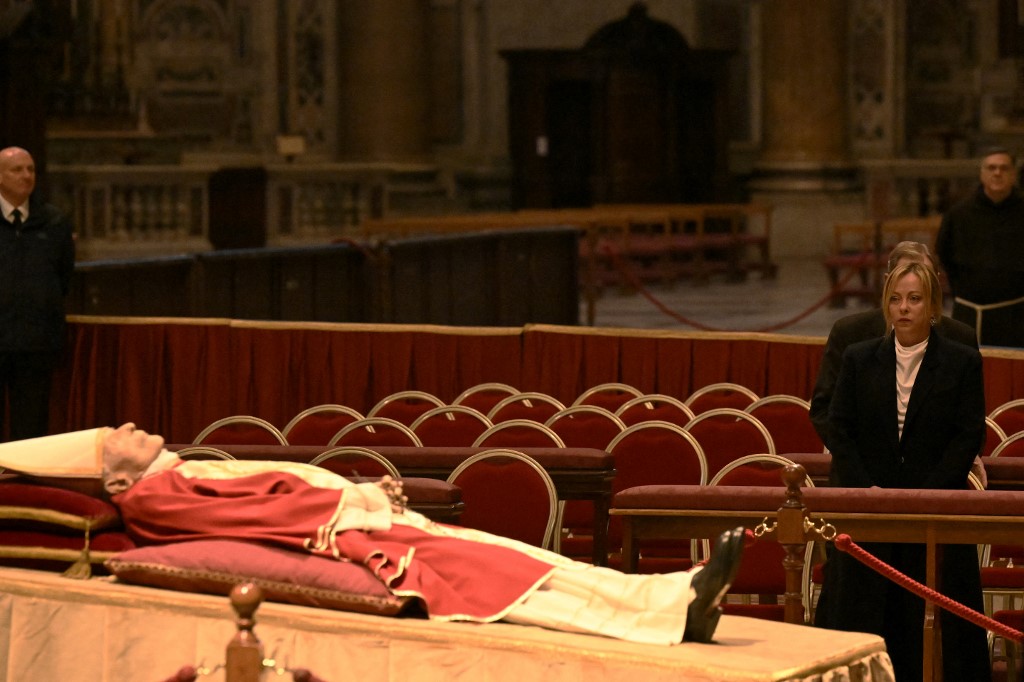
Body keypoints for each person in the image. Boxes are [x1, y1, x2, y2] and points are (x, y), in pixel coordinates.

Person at [85, 422, 744, 646]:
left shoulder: (174, 473)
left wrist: (358, 498)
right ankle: (671, 609)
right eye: (116, 440)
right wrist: (354, 508)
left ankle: (671, 600)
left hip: (363, 522)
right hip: (356, 539)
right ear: (115, 480)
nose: (127, 429)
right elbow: (251, 518)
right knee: (506, 579)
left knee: (513, 559)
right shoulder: (155, 495)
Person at [814, 261, 990, 681]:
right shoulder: (860, 358)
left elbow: (967, 436)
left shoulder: (961, 361)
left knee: (930, 626)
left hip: (935, 511)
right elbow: (838, 426)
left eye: (914, 299)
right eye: (895, 299)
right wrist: (865, 486)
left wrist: (927, 494)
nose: (904, 308)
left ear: (932, 306)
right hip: (869, 513)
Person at [810, 241, 978, 449]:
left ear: (936, 286)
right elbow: (823, 409)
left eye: (922, 278)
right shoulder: (849, 333)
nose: (912, 282)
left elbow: (970, 421)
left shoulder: (960, 337)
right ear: (887, 282)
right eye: (903, 277)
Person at [0, 146, 75, 442]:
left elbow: (63, 277)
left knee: (30, 432)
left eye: (30, 169)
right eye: (17, 170)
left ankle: (23, 488)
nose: (26, 176)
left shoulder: (53, 222)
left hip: (36, 343)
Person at [935, 147, 1024, 347]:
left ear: (1013, 175)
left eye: (1004, 168)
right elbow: (944, 254)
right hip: (968, 314)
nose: (997, 173)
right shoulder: (958, 214)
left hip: (1016, 317)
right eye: (991, 168)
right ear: (982, 173)